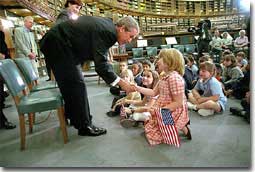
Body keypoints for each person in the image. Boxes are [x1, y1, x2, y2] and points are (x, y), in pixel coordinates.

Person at [39, 16, 139, 136]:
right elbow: (101, 65)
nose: (130, 40)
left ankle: (73, 117)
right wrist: (123, 84)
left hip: (60, 44)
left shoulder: (108, 27)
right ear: (122, 29)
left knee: (71, 84)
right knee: (77, 85)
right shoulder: (109, 33)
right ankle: (84, 126)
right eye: (131, 36)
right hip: (58, 44)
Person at [133, 49, 191, 146]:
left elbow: (178, 102)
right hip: (163, 108)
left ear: (169, 61)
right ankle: (178, 126)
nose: (157, 60)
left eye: (160, 58)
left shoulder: (174, 78)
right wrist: (137, 87)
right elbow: (153, 92)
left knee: (157, 135)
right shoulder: (163, 76)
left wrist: (160, 111)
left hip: (171, 110)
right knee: (150, 130)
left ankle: (183, 127)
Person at [44, 0, 83, 81]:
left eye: (79, 9)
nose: (77, 10)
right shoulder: (64, 15)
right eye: (76, 7)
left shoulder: (67, 14)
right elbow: (61, 31)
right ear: (69, 4)